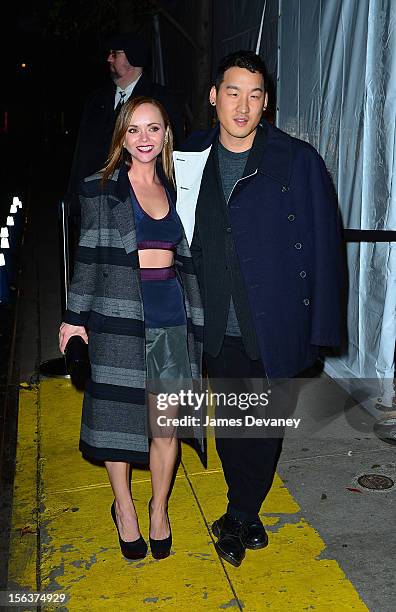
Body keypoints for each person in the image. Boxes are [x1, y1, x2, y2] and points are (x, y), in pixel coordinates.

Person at [173, 50, 343, 567]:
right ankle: (243, 510)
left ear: (266, 103)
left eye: (254, 95)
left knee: (266, 425)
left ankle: (240, 512)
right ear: (213, 97)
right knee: (231, 423)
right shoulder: (187, 156)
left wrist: (322, 328)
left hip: (273, 318)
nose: (242, 107)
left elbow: (324, 246)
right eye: (232, 93)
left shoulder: (295, 160)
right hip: (215, 315)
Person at [59, 96, 203, 561]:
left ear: (166, 135)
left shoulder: (176, 188)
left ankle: (159, 509)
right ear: (122, 135)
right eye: (135, 129)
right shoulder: (102, 191)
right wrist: (73, 319)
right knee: (119, 425)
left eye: (154, 129)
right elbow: (86, 260)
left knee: (166, 429)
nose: (145, 138)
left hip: (170, 324)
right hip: (117, 321)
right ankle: (124, 509)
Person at [68, 32, 184, 204]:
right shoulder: (95, 100)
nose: (109, 59)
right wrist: (73, 197)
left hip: (138, 201)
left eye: (115, 53)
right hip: (93, 199)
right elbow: (81, 154)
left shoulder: (161, 100)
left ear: (133, 56)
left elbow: (173, 153)